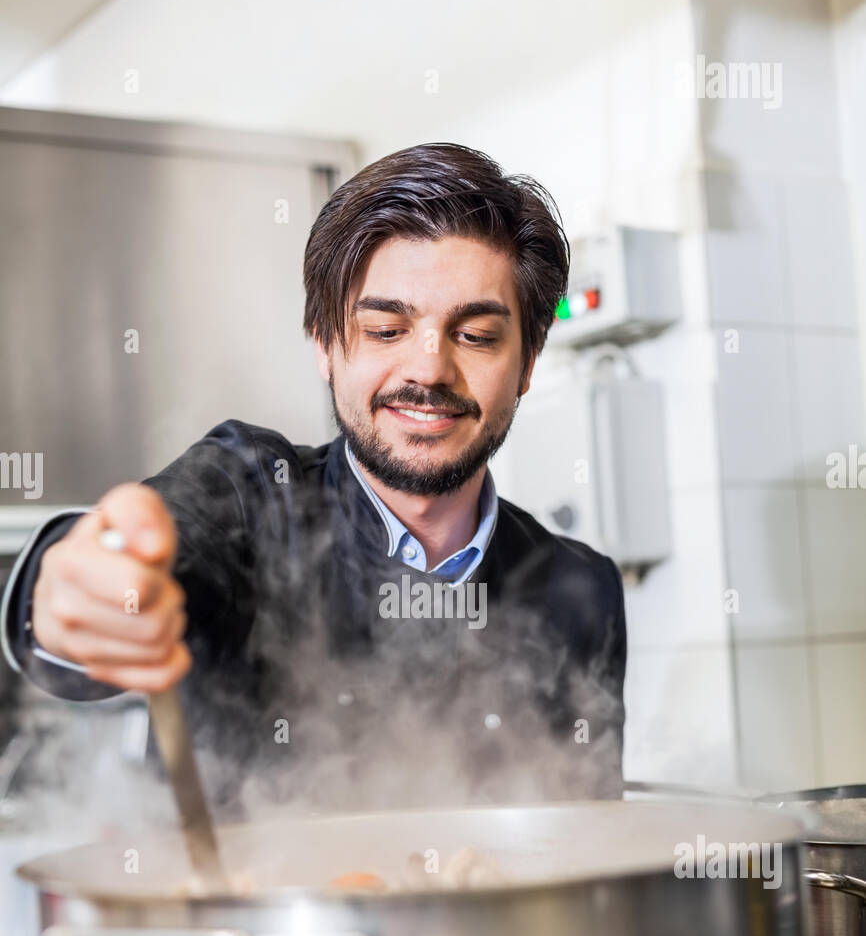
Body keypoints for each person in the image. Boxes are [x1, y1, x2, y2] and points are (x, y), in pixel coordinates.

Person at [2, 143, 626, 812]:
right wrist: (75, 591)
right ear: (325, 346)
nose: (429, 370)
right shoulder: (248, 493)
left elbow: (580, 846)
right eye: (387, 328)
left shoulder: (578, 590)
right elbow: (86, 596)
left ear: (528, 363)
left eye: (475, 335)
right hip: (241, 915)